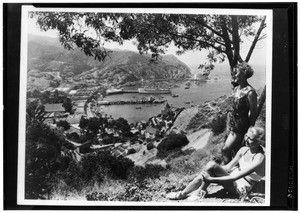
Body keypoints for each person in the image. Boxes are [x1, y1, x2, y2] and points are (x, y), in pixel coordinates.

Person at [166, 126, 265, 201]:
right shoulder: (244, 150)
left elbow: (235, 178)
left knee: (211, 167)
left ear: (259, 141)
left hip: (240, 186)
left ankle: (199, 191)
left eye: (250, 139)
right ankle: (183, 193)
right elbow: (228, 167)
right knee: (210, 167)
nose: (246, 139)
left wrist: (211, 178)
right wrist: (208, 171)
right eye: (246, 136)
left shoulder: (259, 158)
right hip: (232, 175)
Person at [222, 62, 258, 164]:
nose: (234, 75)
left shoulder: (250, 92)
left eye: (236, 73)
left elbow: (254, 113)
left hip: (241, 127)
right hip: (232, 124)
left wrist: (248, 130)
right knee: (236, 152)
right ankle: (236, 170)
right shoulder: (236, 89)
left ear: (243, 74)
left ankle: (226, 172)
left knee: (225, 150)